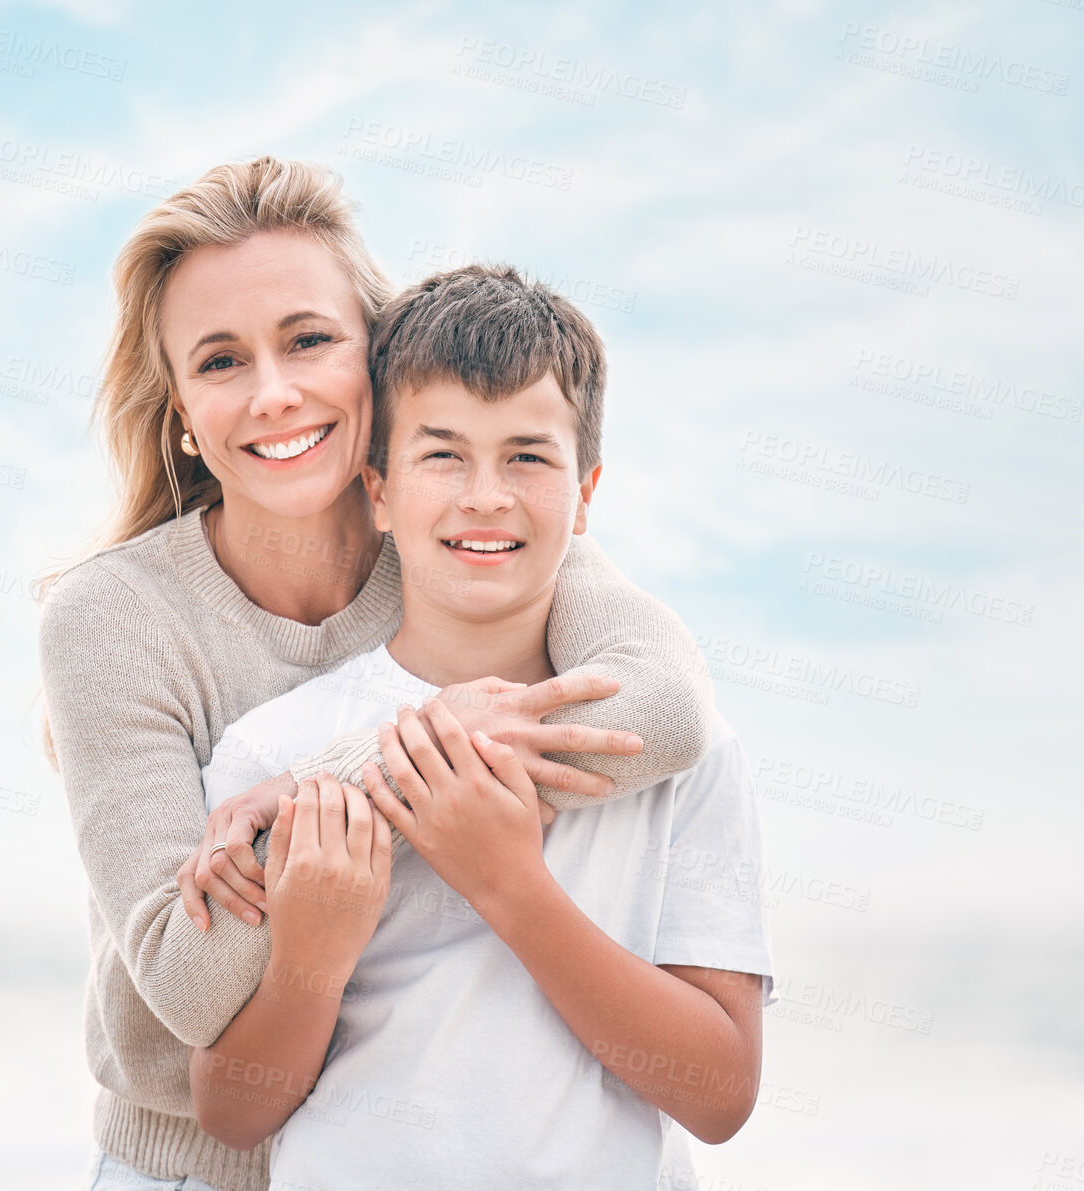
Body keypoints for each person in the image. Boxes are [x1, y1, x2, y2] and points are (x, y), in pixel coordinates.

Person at [36, 157, 716, 1191]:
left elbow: (660, 711)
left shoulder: (463, 534)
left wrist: (320, 793)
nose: (276, 393)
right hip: (192, 1171)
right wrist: (361, 785)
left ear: (377, 353)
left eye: (309, 340)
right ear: (181, 409)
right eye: (221, 362)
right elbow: (185, 978)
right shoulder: (114, 619)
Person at [188, 265, 775, 1189]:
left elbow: (719, 1092)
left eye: (527, 457)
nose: (485, 495)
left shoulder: (677, 752)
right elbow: (229, 1111)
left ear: (585, 494)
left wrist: (511, 887)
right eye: (442, 454)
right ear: (377, 490)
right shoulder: (276, 751)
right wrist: (313, 953)